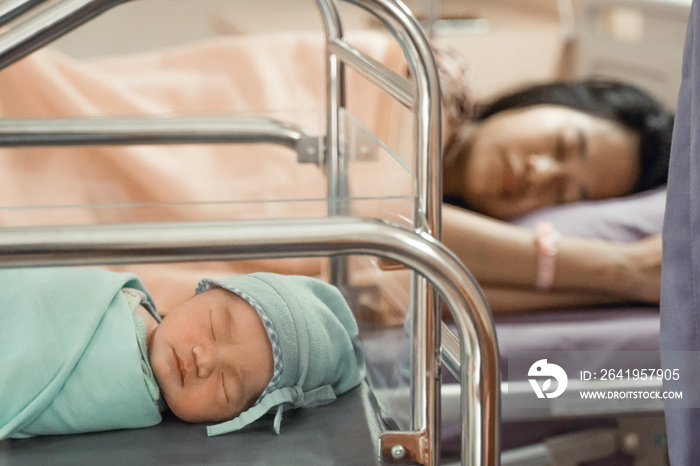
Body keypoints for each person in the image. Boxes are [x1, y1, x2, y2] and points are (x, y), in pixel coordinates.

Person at [0, 267, 365, 439]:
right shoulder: (120, 304)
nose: (204, 360)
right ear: (199, 293)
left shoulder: (145, 412)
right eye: (214, 326)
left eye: (228, 386)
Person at [433, 73, 673, 313]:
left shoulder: (465, 251)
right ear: (546, 100)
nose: (540, 174)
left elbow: (419, 292)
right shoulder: (429, 82)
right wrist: (624, 267)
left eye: (565, 193)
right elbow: (402, 222)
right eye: (562, 144)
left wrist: (618, 285)